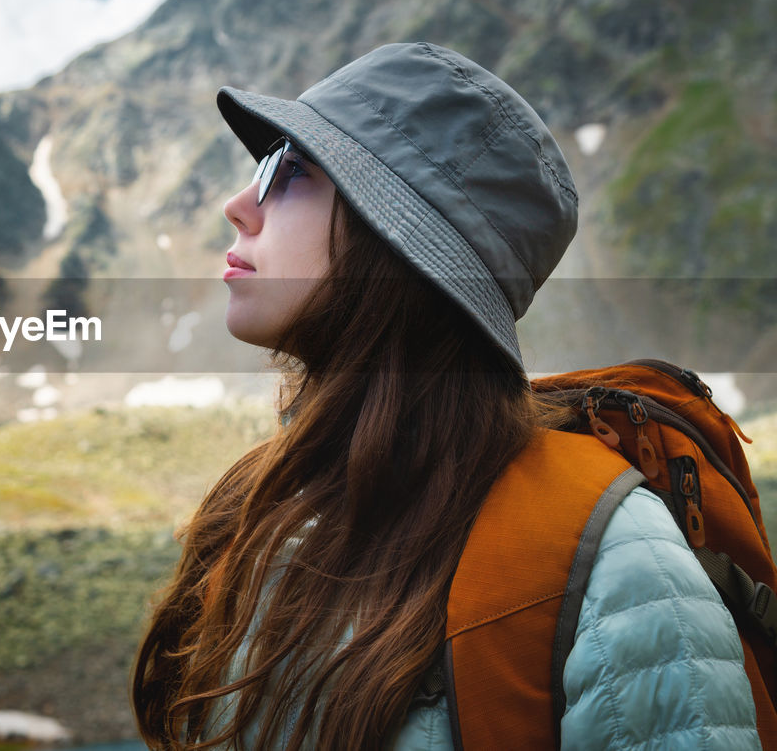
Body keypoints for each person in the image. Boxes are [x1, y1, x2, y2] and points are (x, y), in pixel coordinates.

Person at [132, 42, 760, 749]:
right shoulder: (256, 508)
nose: (239, 204)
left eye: (291, 170)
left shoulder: (619, 563)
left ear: (394, 238)